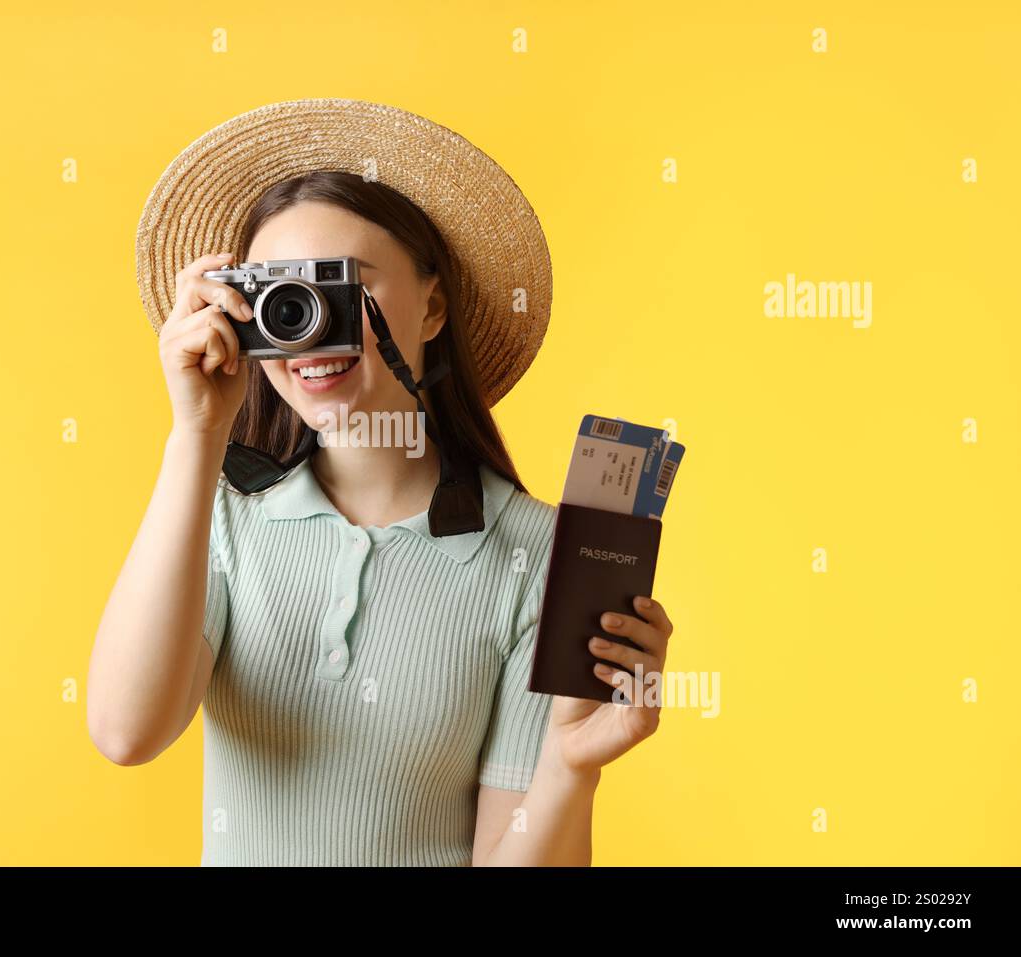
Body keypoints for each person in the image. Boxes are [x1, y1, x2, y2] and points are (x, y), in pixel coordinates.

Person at [87, 99, 676, 866]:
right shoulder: (218, 518)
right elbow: (126, 732)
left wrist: (571, 765)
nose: (307, 329)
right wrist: (198, 434)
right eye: (278, 298)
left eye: (339, 289)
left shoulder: (537, 554)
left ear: (432, 305)